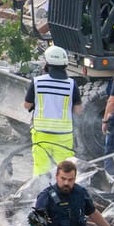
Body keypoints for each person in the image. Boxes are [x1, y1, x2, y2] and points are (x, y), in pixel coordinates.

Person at [26, 45, 82, 177]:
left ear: (47, 64)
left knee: (41, 169)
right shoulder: (71, 84)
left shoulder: (37, 82)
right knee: (65, 169)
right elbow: (78, 110)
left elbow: (27, 105)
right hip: (64, 135)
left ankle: (41, 193)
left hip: (41, 133)